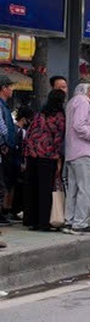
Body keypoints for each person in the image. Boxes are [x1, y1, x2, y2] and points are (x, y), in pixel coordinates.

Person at [23, 90, 66, 231]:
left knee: (32, 187)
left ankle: (32, 221)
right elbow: (58, 137)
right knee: (45, 189)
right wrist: (58, 156)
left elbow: (29, 133)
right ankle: (44, 222)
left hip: (32, 155)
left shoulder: (39, 114)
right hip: (47, 156)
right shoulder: (59, 116)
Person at [63, 83, 90, 235]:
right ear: (88, 90)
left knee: (73, 188)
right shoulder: (83, 102)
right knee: (85, 189)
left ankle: (70, 221)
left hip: (72, 152)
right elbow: (79, 125)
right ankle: (80, 223)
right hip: (84, 151)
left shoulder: (72, 102)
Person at [4, 106, 34, 222]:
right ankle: (9, 209)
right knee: (12, 186)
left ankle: (9, 209)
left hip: (13, 161)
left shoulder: (16, 129)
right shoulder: (20, 131)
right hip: (16, 162)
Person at [0, 75, 17, 228]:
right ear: (3, 88)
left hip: (6, 149)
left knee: (6, 182)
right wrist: (4, 143)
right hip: (4, 149)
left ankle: (5, 211)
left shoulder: (5, 106)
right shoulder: (1, 106)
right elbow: (3, 129)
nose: (12, 89)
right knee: (3, 182)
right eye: (9, 86)